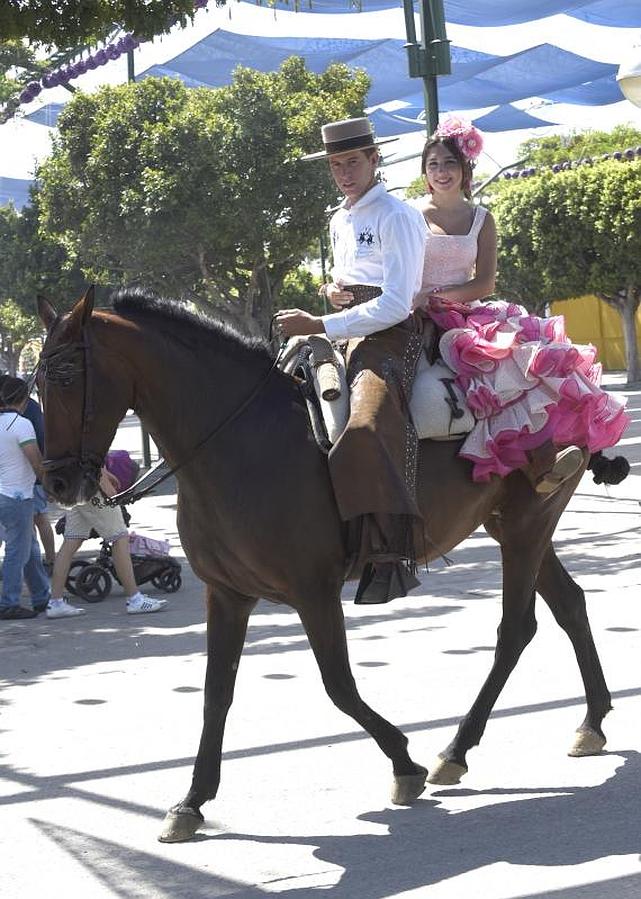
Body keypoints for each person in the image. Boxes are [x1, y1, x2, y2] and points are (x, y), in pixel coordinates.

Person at [412, 115, 628, 488]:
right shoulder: (409, 215)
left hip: (463, 313)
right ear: (425, 173)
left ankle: (551, 460)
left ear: (465, 169)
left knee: (532, 358)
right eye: (434, 164)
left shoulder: (482, 218)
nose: (442, 171)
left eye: (449, 163)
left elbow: (485, 282)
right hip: (413, 313)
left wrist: (440, 298)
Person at [274, 116, 429, 604]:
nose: (343, 172)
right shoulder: (339, 218)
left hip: (390, 336)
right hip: (346, 327)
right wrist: (332, 293)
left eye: (352, 162)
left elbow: (397, 302)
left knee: (363, 425)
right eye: (336, 164)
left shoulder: (397, 215)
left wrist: (319, 324)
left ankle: (387, 551)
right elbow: (353, 281)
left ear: (374, 160)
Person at [47, 465, 168, 618]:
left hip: (74, 485)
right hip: (91, 485)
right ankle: (134, 598)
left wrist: (105, 473)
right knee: (119, 537)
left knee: (71, 541)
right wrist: (104, 480)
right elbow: (88, 453)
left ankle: (55, 602)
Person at [0, 377, 51, 619]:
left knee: (28, 547)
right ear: (23, 399)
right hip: (17, 496)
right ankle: (8, 602)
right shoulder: (21, 425)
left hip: (5, 495)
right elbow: (35, 460)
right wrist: (49, 484)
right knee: (17, 551)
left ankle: (42, 595)